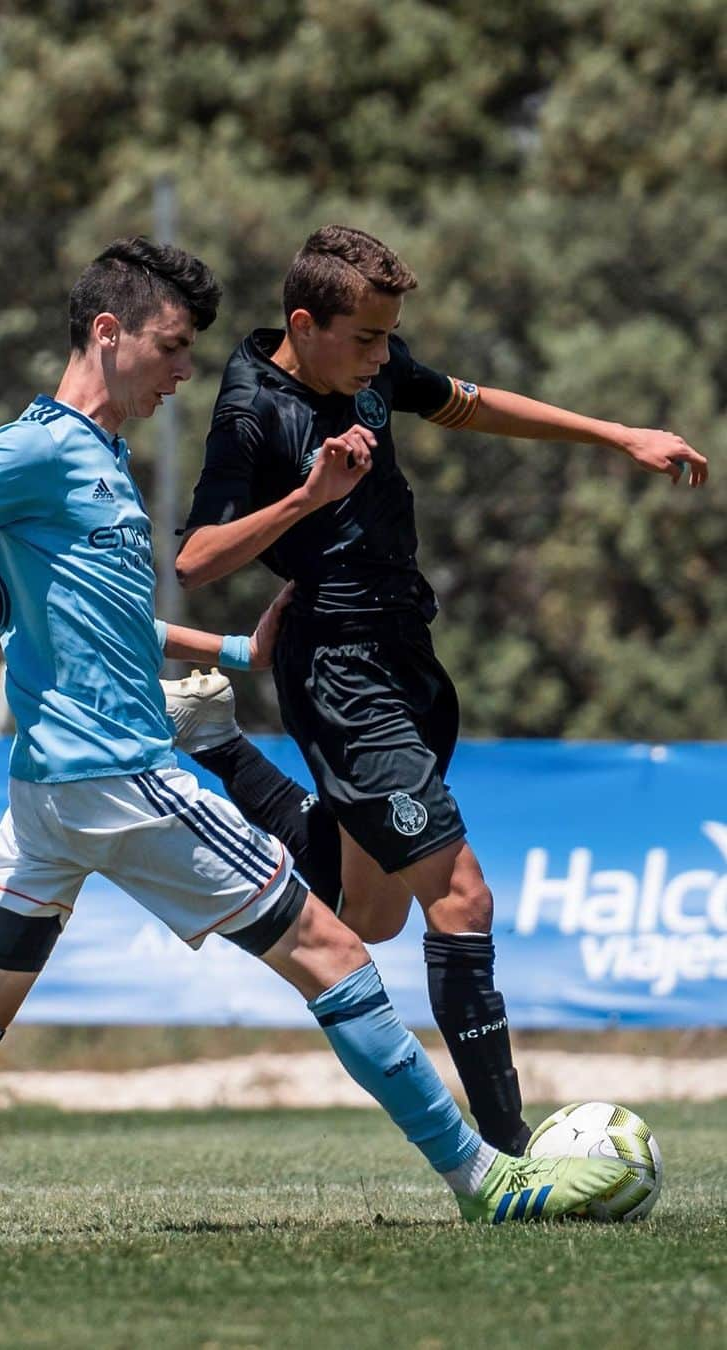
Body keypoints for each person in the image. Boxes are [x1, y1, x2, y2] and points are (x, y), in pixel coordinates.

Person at [0, 237, 624, 1241]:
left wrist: (233, 647)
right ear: (108, 333)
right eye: (170, 346)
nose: (185, 370)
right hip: (118, 776)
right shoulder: (33, 450)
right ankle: (485, 1179)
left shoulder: (100, 459)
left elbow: (109, 615)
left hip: (49, 799)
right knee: (339, 955)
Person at [170, 224, 708, 1156]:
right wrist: (307, 498)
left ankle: (217, 746)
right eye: (369, 339)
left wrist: (616, 434)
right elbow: (195, 559)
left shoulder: (369, 370)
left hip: (409, 654)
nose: (386, 357)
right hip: (338, 673)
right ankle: (511, 1156)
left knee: (369, 913)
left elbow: (468, 402)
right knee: (462, 898)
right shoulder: (253, 408)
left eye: (391, 338)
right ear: (306, 321)